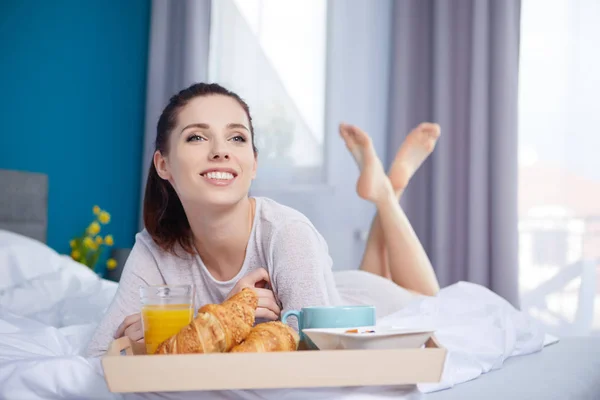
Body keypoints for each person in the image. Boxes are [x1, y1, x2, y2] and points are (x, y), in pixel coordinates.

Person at [86, 83, 441, 357]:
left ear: (253, 164)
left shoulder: (287, 233)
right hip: (334, 289)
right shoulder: (154, 248)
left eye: (236, 137)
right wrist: (215, 320)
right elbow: (98, 354)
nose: (220, 150)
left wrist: (218, 322)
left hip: (371, 303)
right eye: (196, 136)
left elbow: (318, 353)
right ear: (163, 165)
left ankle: (386, 197)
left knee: (429, 297)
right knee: (371, 271)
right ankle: (385, 190)